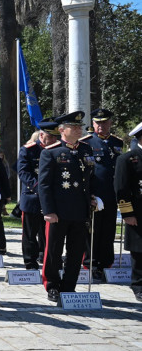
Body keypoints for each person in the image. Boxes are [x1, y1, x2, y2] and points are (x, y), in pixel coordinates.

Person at [39, 111, 102, 303]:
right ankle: (52, 285)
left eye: (79, 127)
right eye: (73, 127)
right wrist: (48, 211)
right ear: (61, 130)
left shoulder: (85, 150)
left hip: (80, 210)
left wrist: (93, 196)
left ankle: (69, 286)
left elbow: (90, 178)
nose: (78, 129)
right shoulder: (51, 152)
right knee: (54, 251)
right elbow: (44, 185)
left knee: (76, 252)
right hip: (58, 211)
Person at [84, 108, 123, 281]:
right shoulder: (86, 142)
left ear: (110, 123)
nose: (101, 126)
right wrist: (90, 195)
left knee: (108, 231)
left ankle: (106, 264)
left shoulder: (117, 142)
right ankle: (90, 263)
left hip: (111, 195)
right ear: (93, 124)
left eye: (104, 122)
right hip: (95, 195)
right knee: (93, 231)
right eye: (97, 123)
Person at [17, 121, 59, 270]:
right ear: (41, 135)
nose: (53, 140)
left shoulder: (58, 150)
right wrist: (39, 189)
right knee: (30, 234)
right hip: (33, 198)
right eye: (50, 137)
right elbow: (23, 172)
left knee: (50, 233)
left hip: (51, 199)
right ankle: (30, 262)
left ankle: (50, 258)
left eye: (56, 137)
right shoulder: (28, 150)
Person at [115, 121, 142, 302]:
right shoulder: (128, 159)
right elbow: (121, 189)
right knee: (139, 251)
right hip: (138, 213)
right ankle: (139, 285)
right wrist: (127, 214)